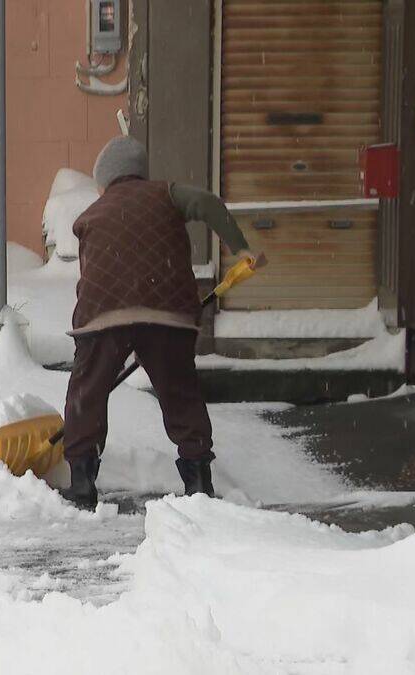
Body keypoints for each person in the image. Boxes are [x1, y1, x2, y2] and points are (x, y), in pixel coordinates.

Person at [59, 136, 266, 510]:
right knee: (180, 393)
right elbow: (207, 204)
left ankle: (82, 482)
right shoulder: (166, 194)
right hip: (167, 311)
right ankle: (199, 481)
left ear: (106, 179)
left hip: (103, 313)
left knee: (86, 393)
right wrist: (241, 248)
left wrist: (89, 344)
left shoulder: (90, 215)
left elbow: (89, 278)